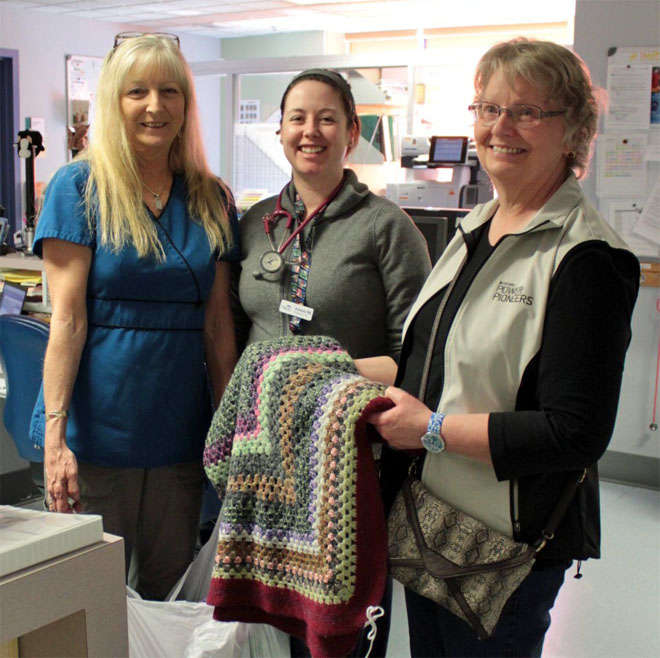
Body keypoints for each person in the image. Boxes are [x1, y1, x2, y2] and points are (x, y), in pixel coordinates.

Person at [365, 38, 640, 657]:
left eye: (527, 111)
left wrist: (431, 430)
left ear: (572, 131)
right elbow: (432, 360)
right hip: (428, 518)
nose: (500, 127)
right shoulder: (474, 229)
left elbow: (574, 433)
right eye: (488, 109)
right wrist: (340, 369)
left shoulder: (587, 259)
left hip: (503, 541)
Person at [29, 32, 239, 601]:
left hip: (178, 425)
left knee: (171, 586)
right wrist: (55, 438)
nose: (155, 105)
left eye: (169, 91)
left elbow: (218, 326)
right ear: (113, 102)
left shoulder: (210, 197)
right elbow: (67, 322)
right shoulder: (79, 187)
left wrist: (230, 428)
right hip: (97, 429)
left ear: (186, 105)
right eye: (137, 91)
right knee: (92, 595)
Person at [231, 68, 431, 656]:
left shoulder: (387, 228)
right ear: (281, 130)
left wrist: (313, 376)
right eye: (297, 118)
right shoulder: (255, 222)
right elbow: (243, 335)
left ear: (351, 133)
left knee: (344, 621)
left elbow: (417, 359)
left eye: (327, 118)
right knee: (281, 611)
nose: (310, 131)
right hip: (266, 455)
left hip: (352, 458)